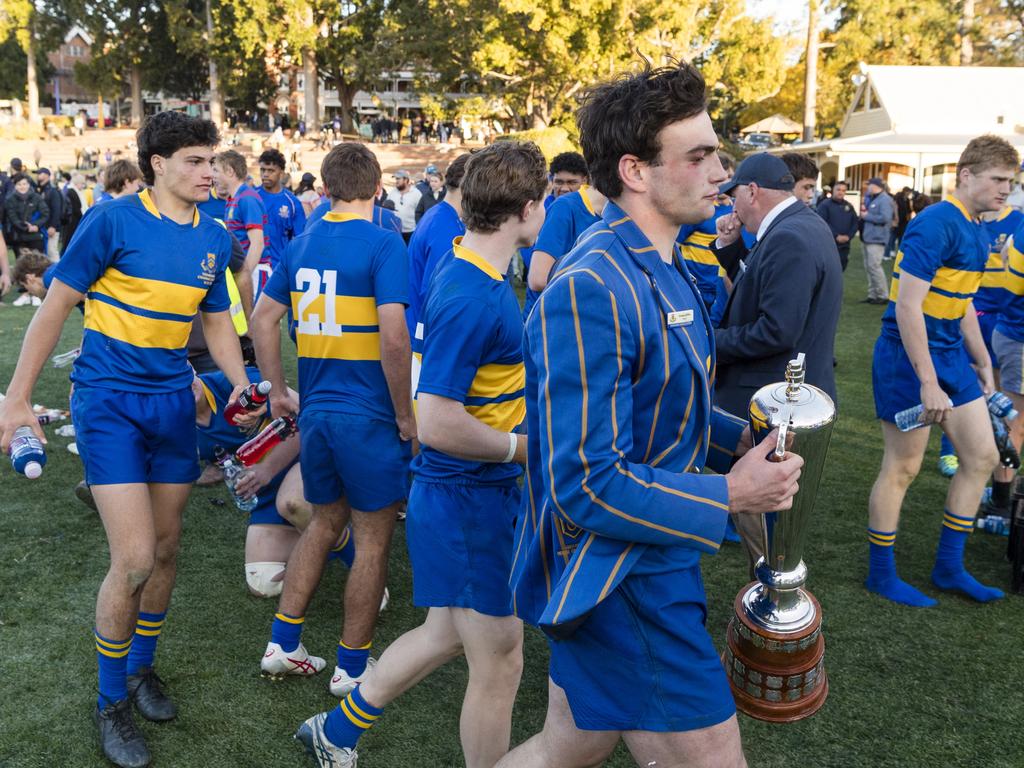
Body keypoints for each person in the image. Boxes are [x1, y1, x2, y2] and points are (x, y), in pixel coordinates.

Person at [499, 63, 803, 768]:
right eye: (698, 157)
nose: (721, 172)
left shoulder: (665, 267)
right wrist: (732, 492)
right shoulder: (589, 286)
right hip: (616, 571)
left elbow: (671, 411)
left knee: (566, 749)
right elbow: (587, 482)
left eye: (716, 154)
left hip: (654, 550)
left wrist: (761, 435)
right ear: (634, 170)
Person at [0, 111, 258, 768]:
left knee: (167, 550)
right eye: (196, 161)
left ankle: (140, 671)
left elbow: (219, 321)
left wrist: (237, 384)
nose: (209, 172)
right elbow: (55, 308)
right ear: (158, 164)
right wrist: (18, 398)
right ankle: (110, 700)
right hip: (109, 401)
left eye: (212, 160)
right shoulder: (111, 221)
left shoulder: (214, 236)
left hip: (174, 402)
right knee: (136, 558)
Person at [294, 140, 545, 768]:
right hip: (465, 494)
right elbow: (435, 420)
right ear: (528, 207)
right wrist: (523, 449)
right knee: (502, 657)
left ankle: (335, 731)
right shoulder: (472, 294)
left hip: (468, 492)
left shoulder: (474, 267)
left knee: (443, 634)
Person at [249, 143, 413, 702]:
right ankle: (351, 667)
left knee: (323, 523)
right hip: (367, 416)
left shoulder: (300, 243)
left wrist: (275, 392)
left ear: (324, 189)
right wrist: (405, 413)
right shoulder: (385, 242)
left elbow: (261, 320)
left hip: (318, 411)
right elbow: (394, 338)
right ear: (377, 188)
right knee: (371, 541)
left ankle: (283, 643)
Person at [866, 134, 1020, 608]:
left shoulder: (978, 226)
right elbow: (908, 308)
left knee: (982, 457)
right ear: (965, 174)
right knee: (904, 466)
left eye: (1011, 183)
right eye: (998, 180)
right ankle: (880, 575)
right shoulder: (934, 224)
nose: (1005, 191)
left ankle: (949, 567)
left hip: (952, 354)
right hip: (907, 358)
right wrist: (928, 381)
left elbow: (964, 303)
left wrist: (980, 361)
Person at [405, 153, 470, 365]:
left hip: (421, 336)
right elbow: (438, 296)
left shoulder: (440, 215)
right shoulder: (445, 226)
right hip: (427, 344)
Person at [523, 160, 606, 317]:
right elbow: (538, 278)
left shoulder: (610, 213)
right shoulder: (564, 207)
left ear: (585, 180)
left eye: (571, 182)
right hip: (547, 320)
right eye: (559, 182)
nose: (564, 188)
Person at [676, 150, 740, 327]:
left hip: (722, 287)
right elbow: (674, 245)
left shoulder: (736, 210)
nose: (726, 182)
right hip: (697, 288)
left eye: (731, 177)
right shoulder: (699, 209)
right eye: (723, 177)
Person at [213, 149, 267, 309]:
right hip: (244, 272)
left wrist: (244, 277)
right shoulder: (233, 199)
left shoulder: (247, 198)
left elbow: (257, 244)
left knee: (255, 328)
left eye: (216, 170)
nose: (212, 175)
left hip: (255, 271)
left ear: (230, 171)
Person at [256, 148, 307, 272]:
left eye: (271, 170)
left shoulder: (292, 203)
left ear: (282, 173)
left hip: (279, 269)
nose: (265, 174)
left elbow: (301, 240)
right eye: (263, 170)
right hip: (255, 268)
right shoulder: (252, 198)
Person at [860, 177, 894, 304]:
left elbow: (885, 218)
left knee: (874, 266)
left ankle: (883, 295)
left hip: (877, 238)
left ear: (875, 186)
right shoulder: (874, 198)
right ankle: (873, 294)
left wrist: (867, 216)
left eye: (869, 185)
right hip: (869, 237)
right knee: (869, 267)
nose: (867, 187)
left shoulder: (884, 199)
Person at [816, 179, 859, 271]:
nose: (841, 192)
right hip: (829, 245)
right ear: (833, 190)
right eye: (838, 189)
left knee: (841, 269)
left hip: (845, 246)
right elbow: (821, 222)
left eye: (843, 190)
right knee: (828, 271)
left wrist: (848, 236)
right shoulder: (825, 205)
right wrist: (836, 235)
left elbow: (855, 222)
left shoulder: (849, 206)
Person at [4, 172, 48, 255]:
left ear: (28, 185)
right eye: (19, 184)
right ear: (15, 186)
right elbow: (13, 218)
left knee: (37, 264)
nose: (22, 186)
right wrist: (26, 228)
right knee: (22, 265)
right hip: (19, 238)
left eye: (24, 184)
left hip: (35, 236)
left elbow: (45, 213)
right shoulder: (10, 200)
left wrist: (35, 225)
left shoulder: (37, 197)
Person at [35, 167, 64, 261]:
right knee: (45, 253)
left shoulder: (52, 191)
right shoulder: (41, 190)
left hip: (51, 227)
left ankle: (56, 274)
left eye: (40, 173)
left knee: (52, 252)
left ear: (47, 176)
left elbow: (57, 210)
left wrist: (53, 226)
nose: (37, 175)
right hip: (43, 227)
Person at [386, 169, 422, 242]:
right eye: (396, 179)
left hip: (411, 232)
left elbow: (421, 211)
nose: (396, 181)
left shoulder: (416, 193)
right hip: (395, 231)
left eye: (398, 179)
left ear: (406, 180)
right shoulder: (392, 193)